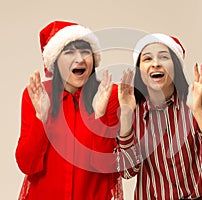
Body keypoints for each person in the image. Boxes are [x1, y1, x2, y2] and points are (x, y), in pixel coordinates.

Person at [116, 33, 202, 199]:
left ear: (176, 66)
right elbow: (127, 172)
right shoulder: (131, 108)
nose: (156, 64)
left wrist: (198, 112)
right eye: (147, 59)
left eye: (164, 57)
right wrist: (127, 117)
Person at [15, 20, 122, 200]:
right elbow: (27, 165)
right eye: (69, 52)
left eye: (85, 52)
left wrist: (99, 116)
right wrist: (41, 118)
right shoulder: (36, 95)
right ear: (55, 61)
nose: (79, 59)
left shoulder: (110, 94)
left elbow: (106, 166)